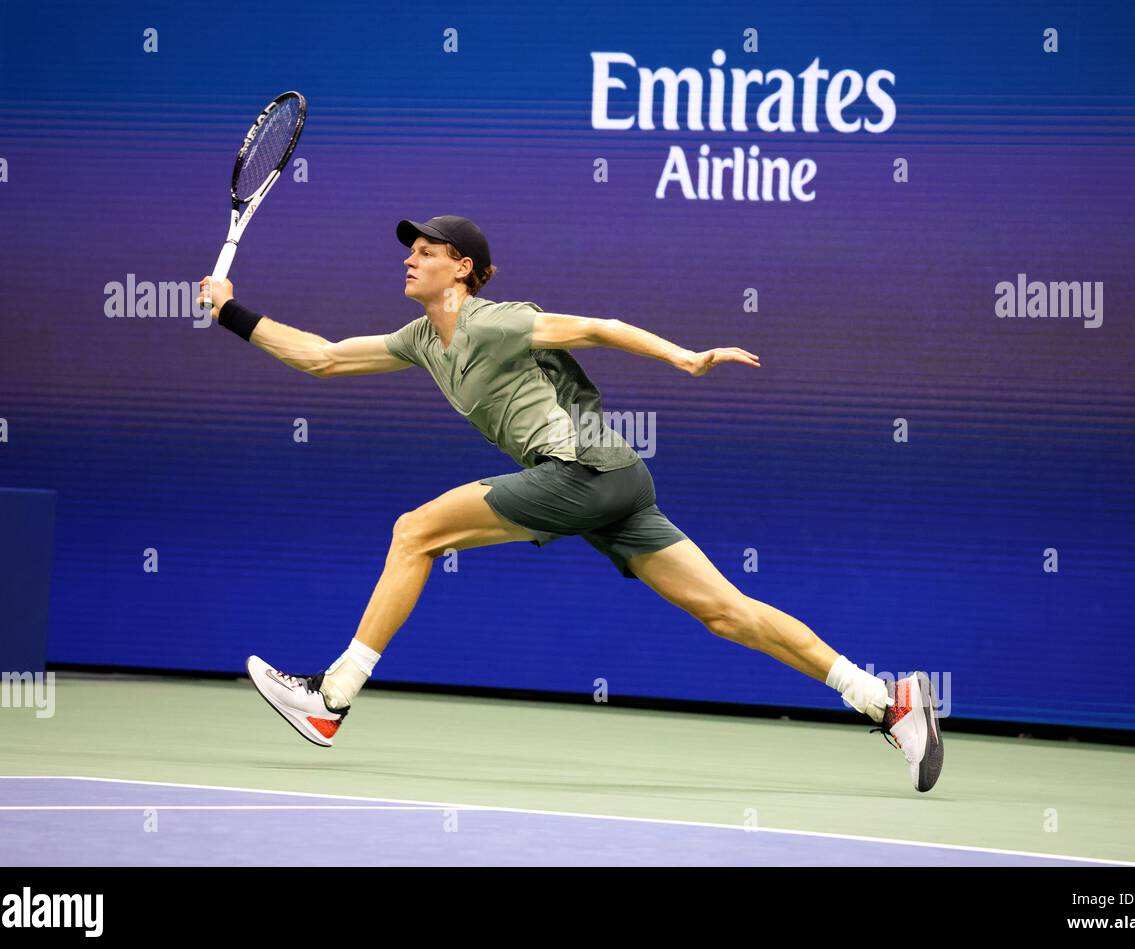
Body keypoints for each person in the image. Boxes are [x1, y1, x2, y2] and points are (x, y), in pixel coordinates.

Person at [197, 215, 943, 792]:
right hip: (611, 480)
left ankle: (333, 695)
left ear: (462, 269)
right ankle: (887, 699)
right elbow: (322, 357)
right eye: (410, 249)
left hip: (583, 468)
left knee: (415, 531)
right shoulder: (421, 339)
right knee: (728, 612)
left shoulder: (494, 318)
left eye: (425, 250)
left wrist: (682, 355)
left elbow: (597, 327)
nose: (409, 258)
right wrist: (232, 313)